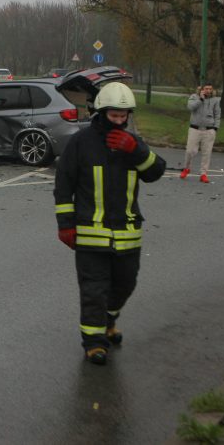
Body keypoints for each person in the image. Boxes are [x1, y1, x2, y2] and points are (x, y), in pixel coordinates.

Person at [53, 82, 166, 365]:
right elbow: (63, 184)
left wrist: (136, 151)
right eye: (114, 115)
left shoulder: (132, 143)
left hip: (127, 235)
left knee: (125, 285)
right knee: (94, 289)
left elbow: (155, 172)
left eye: (123, 116)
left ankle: (109, 318)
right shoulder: (81, 143)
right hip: (91, 236)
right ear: (102, 113)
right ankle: (94, 342)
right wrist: (65, 224)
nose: (119, 121)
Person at [180, 83, 221, 183]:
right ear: (202, 89)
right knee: (190, 151)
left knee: (206, 153)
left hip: (209, 129)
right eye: (206, 89)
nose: (208, 91)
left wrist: (215, 128)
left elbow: (217, 114)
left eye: (210, 89)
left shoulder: (215, 100)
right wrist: (200, 99)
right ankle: (186, 168)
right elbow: (190, 107)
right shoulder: (194, 97)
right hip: (195, 129)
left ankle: (203, 174)